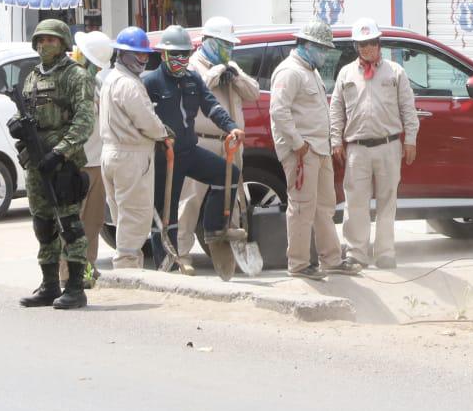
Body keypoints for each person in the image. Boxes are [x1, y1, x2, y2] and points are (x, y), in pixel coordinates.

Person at [144, 24, 245, 273]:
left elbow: (211, 106)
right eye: (174, 55)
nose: (180, 59)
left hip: (189, 151)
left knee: (228, 174)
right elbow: (141, 118)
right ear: (163, 54)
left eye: (184, 54)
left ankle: (214, 229)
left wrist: (231, 127)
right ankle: (166, 266)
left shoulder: (192, 78)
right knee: (166, 214)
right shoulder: (151, 82)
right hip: (164, 157)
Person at [13, 19, 96, 310]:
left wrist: (60, 153)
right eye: (41, 40)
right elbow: (29, 112)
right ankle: (49, 285)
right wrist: (18, 126)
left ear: (62, 44)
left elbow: (84, 121)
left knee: (69, 225)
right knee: (43, 224)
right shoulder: (32, 76)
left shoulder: (76, 76)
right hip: (37, 163)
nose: (45, 45)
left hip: (64, 165)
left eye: (51, 40)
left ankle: (75, 287)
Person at [270, 20, 358, 278]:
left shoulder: (311, 70)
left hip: (318, 149)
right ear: (307, 45)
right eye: (322, 48)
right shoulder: (290, 72)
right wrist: (297, 143)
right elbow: (278, 111)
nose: (325, 54)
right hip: (302, 151)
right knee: (301, 208)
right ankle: (298, 264)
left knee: (324, 207)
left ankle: (331, 259)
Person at [330, 17, 419, 270]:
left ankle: (385, 253)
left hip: (388, 145)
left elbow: (408, 108)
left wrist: (410, 140)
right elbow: (335, 109)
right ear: (356, 47)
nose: (367, 48)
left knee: (387, 201)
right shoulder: (346, 73)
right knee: (355, 202)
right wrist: (336, 140)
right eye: (362, 44)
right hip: (356, 148)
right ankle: (356, 253)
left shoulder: (395, 72)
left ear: (379, 43)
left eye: (371, 42)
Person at [176, 17, 260, 248]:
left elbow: (253, 92)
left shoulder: (230, 65)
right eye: (224, 44)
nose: (229, 49)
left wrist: (235, 75)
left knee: (230, 203)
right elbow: (195, 89)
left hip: (231, 143)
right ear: (209, 41)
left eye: (231, 45)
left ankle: (226, 255)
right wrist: (215, 73)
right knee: (190, 201)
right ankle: (180, 254)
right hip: (203, 143)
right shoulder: (192, 66)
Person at [99, 27, 172, 270]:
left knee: (122, 215)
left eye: (145, 55)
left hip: (111, 153)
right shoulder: (128, 84)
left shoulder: (111, 79)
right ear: (123, 54)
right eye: (138, 55)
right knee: (135, 215)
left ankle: (127, 265)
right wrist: (163, 133)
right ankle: (127, 269)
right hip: (130, 156)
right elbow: (145, 120)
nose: (143, 60)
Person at [71, 29, 116, 289]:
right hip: (77, 163)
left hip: (97, 163)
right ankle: (69, 273)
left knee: (94, 221)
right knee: (73, 222)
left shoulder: (99, 84)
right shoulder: (71, 84)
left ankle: (88, 266)